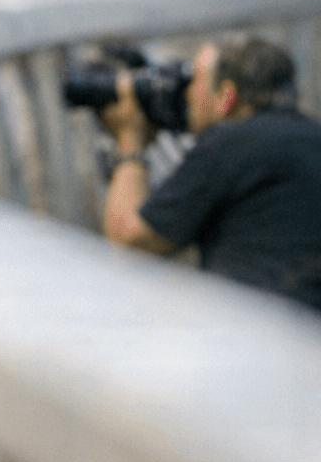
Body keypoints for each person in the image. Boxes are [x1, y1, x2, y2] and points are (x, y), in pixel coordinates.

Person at [100, 36, 321, 313]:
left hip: (258, 329)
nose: (186, 95)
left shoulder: (230, 143)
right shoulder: (312, 137)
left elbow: (129, 241)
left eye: (194, 82)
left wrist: (129, 139)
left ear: (226, 96)